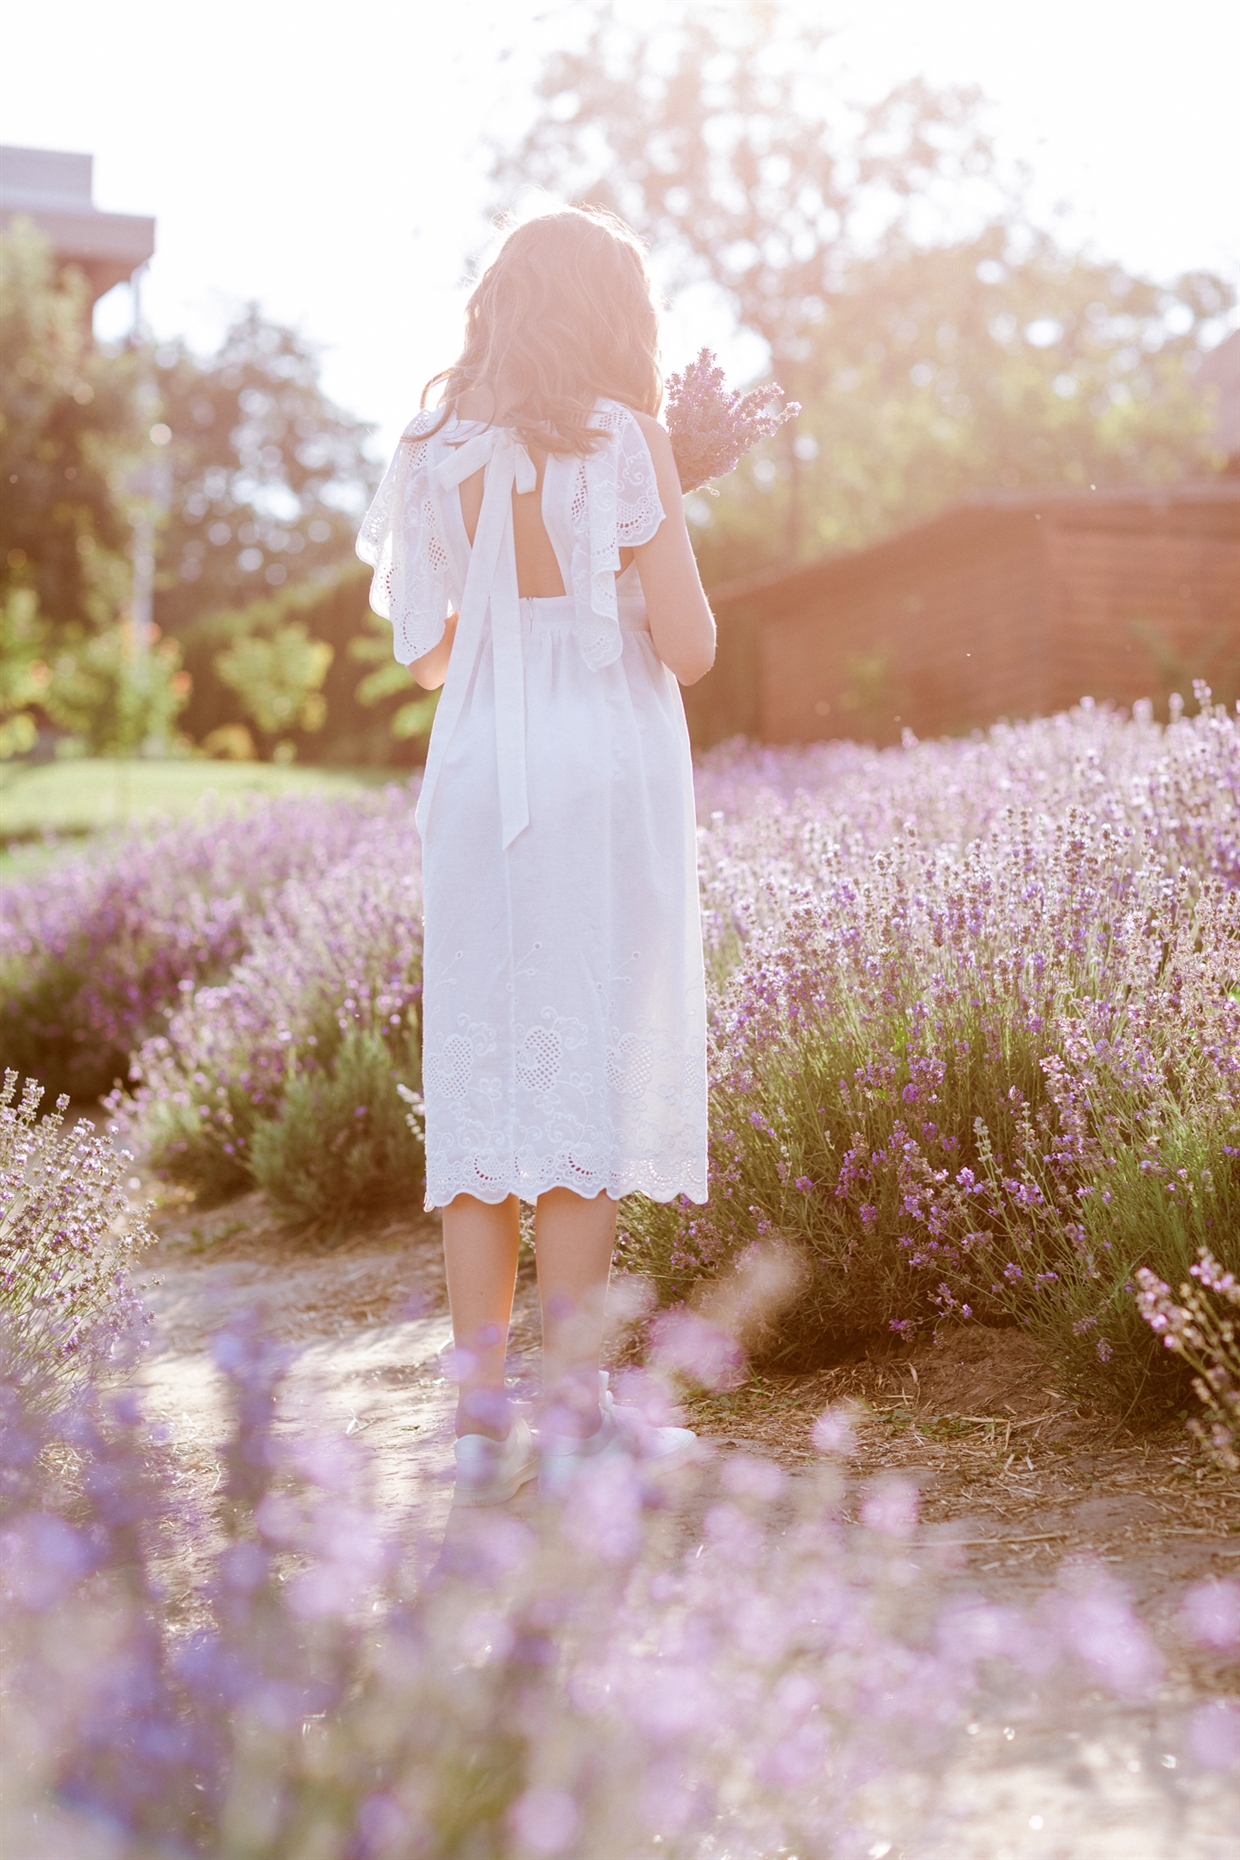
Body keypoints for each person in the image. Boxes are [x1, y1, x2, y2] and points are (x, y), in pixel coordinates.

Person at [357, 208, 714, 1503]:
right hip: (594, 776)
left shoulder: (430, 446)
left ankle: (474, 1419)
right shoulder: (629, 439)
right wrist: (634, 564)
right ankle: (574, 1415)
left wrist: (511, 627)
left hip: (477, 781)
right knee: (577, 1092)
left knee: (487, 1076)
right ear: (613, 319)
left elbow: (428, 648)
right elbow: (688, 645)